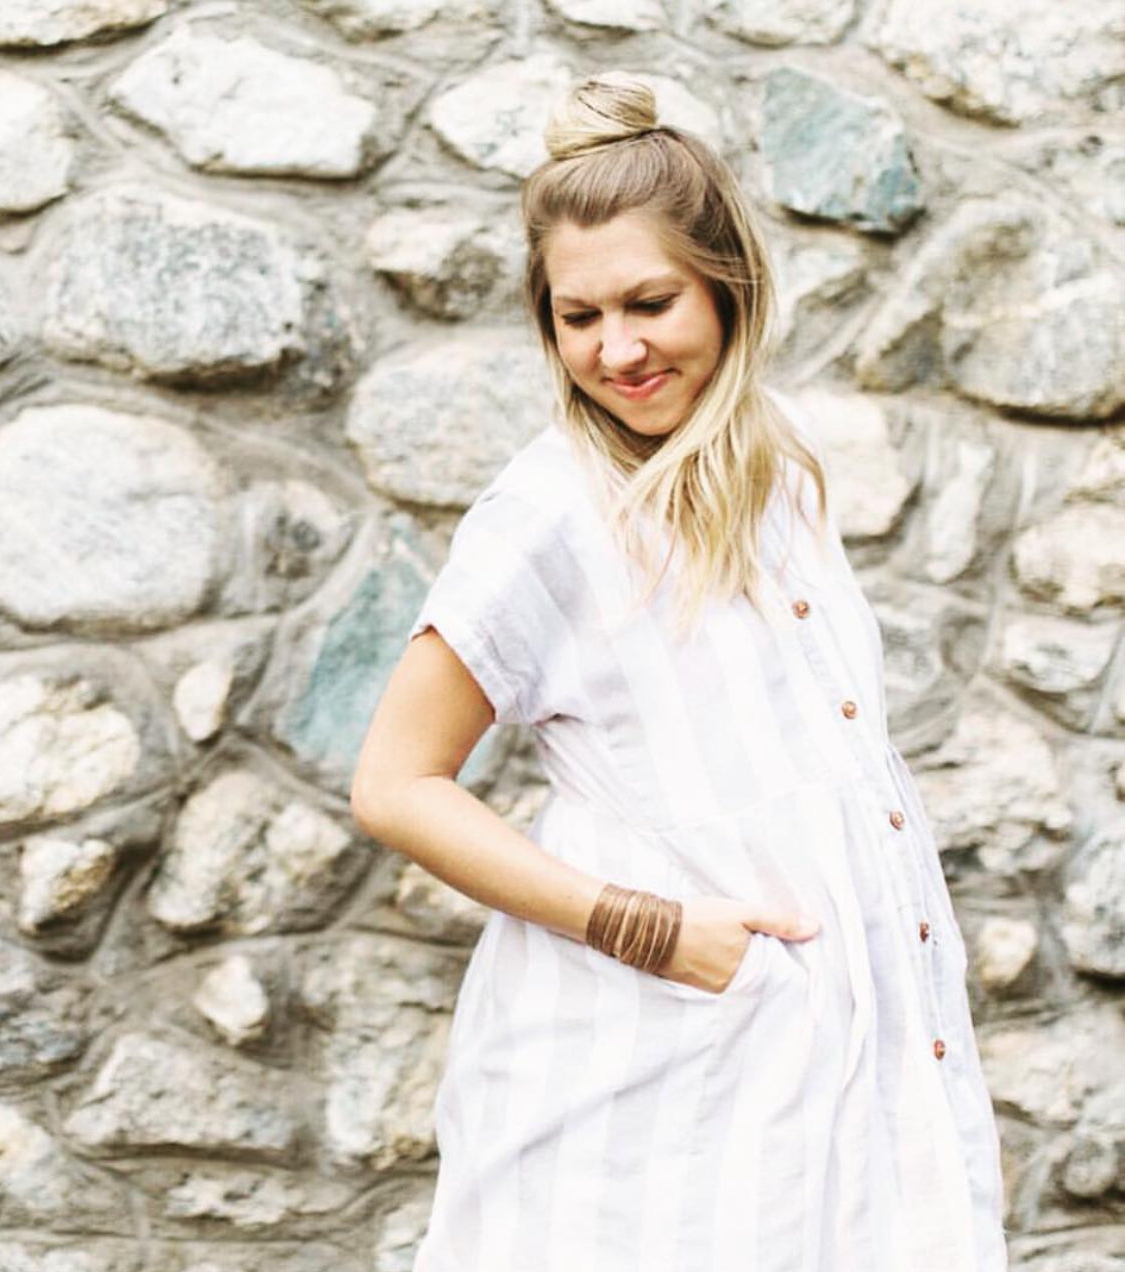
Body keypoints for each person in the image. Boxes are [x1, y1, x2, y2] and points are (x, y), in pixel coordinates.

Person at [350, 71, 1008, 1272]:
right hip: (646, 1080)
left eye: (650, 302)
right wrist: (653, 930)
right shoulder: (547, 513)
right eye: (578, 316)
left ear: (728, 286)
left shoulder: (784, 480)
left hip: (834, 1081)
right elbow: (396, 785)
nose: (618, 350)